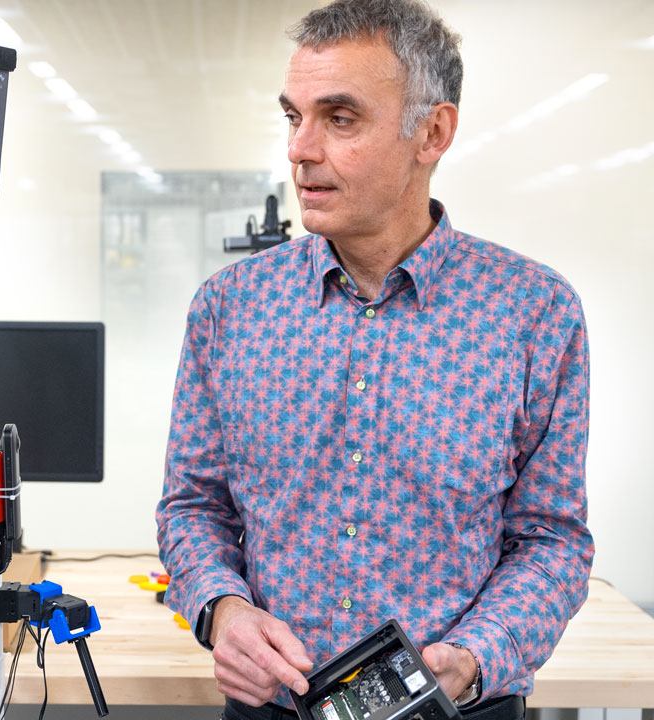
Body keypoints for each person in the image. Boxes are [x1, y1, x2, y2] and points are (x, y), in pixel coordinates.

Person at [155, 2, 594, 719]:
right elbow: (193, 506)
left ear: (432, 132)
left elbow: (552, 540)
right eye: (293, 117)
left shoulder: (533, 314)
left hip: (453, 709)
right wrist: (222, 609)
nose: (300, 148)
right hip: (275, 708)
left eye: (340, 118)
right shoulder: (229, 310)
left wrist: (474, 655)